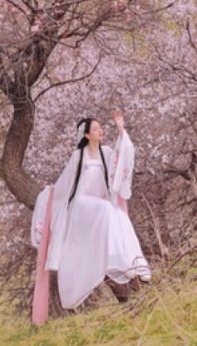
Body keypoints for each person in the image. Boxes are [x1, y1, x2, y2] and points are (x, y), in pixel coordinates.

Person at [31, 109, 151, 311]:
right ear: (86, 134)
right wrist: (50, 191)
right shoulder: (79, 155)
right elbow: (65, 182)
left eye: (100, 128)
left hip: (100, 203)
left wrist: (121, 128)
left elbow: (122, 157)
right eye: (96, 129)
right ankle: (115, 257)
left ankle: (133, 263)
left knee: (120, 216)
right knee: (106, 209)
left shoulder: (105, 153)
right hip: (82, 204)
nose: (100, 131)